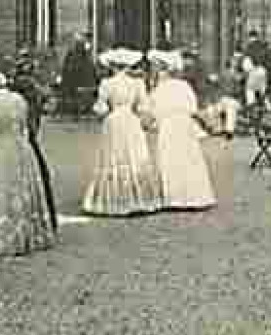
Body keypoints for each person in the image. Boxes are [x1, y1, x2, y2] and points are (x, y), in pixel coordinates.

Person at [0, 68, 57, 257]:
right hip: (21, 147)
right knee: (20, 189)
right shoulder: (19, 101)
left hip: (0, 149)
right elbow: (25, 126)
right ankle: (26, 233)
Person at [83, 48, 162, 216]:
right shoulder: (137, 84)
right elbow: (143, 107)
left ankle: (114, 197)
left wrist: (105, 111)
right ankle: (137, 197)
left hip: (114, 122)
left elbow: (100, 108)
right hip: (131, 121)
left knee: (114, 156)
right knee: (134, 155)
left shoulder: (107, 84)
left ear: (113, 66)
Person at [142, 50, 216, 211]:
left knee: (171, 158)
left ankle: (174, 196)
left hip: (170, 126)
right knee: (187, 158)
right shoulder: (183, 87)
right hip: (183, 125)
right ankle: (192, 195)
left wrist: (149, 122)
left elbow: (151, 111)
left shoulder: (160, 89)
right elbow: (192, 108)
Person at [10, 55, 59, 235]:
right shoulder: (33, 89)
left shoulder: (14, 90)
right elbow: (46, 103)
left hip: (20, 135)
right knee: (39, 176)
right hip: (28, 136)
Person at [59, 33, 99, 116]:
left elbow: (66, 68)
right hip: (77, 82)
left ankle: (76, 110)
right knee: (77, 96)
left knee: (77, 95)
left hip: (78, 82)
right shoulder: (82, 58)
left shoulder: (82, 58)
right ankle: (77, 110)